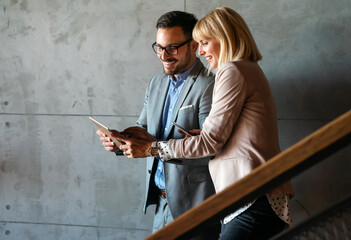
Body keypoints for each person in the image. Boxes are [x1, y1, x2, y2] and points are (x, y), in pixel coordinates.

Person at [112, 6, 295, 240]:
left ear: (224, 38)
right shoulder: (248, 69)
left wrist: (152, 148)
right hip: (251, 196)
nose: (201, 52)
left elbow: (209, 143)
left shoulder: (231, 70)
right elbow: (227, 135)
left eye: (205, 43)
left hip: (251, 195)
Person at [96, 11, 220, 239]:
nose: (164, 55)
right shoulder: (155, 83)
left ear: (194, 46)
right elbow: (143, 131)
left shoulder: (209, 85)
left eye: (172, 48)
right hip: (161, 201)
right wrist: (119, 143)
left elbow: (211, 150)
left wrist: (155, 146)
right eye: (159, 47)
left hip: (195, 203)